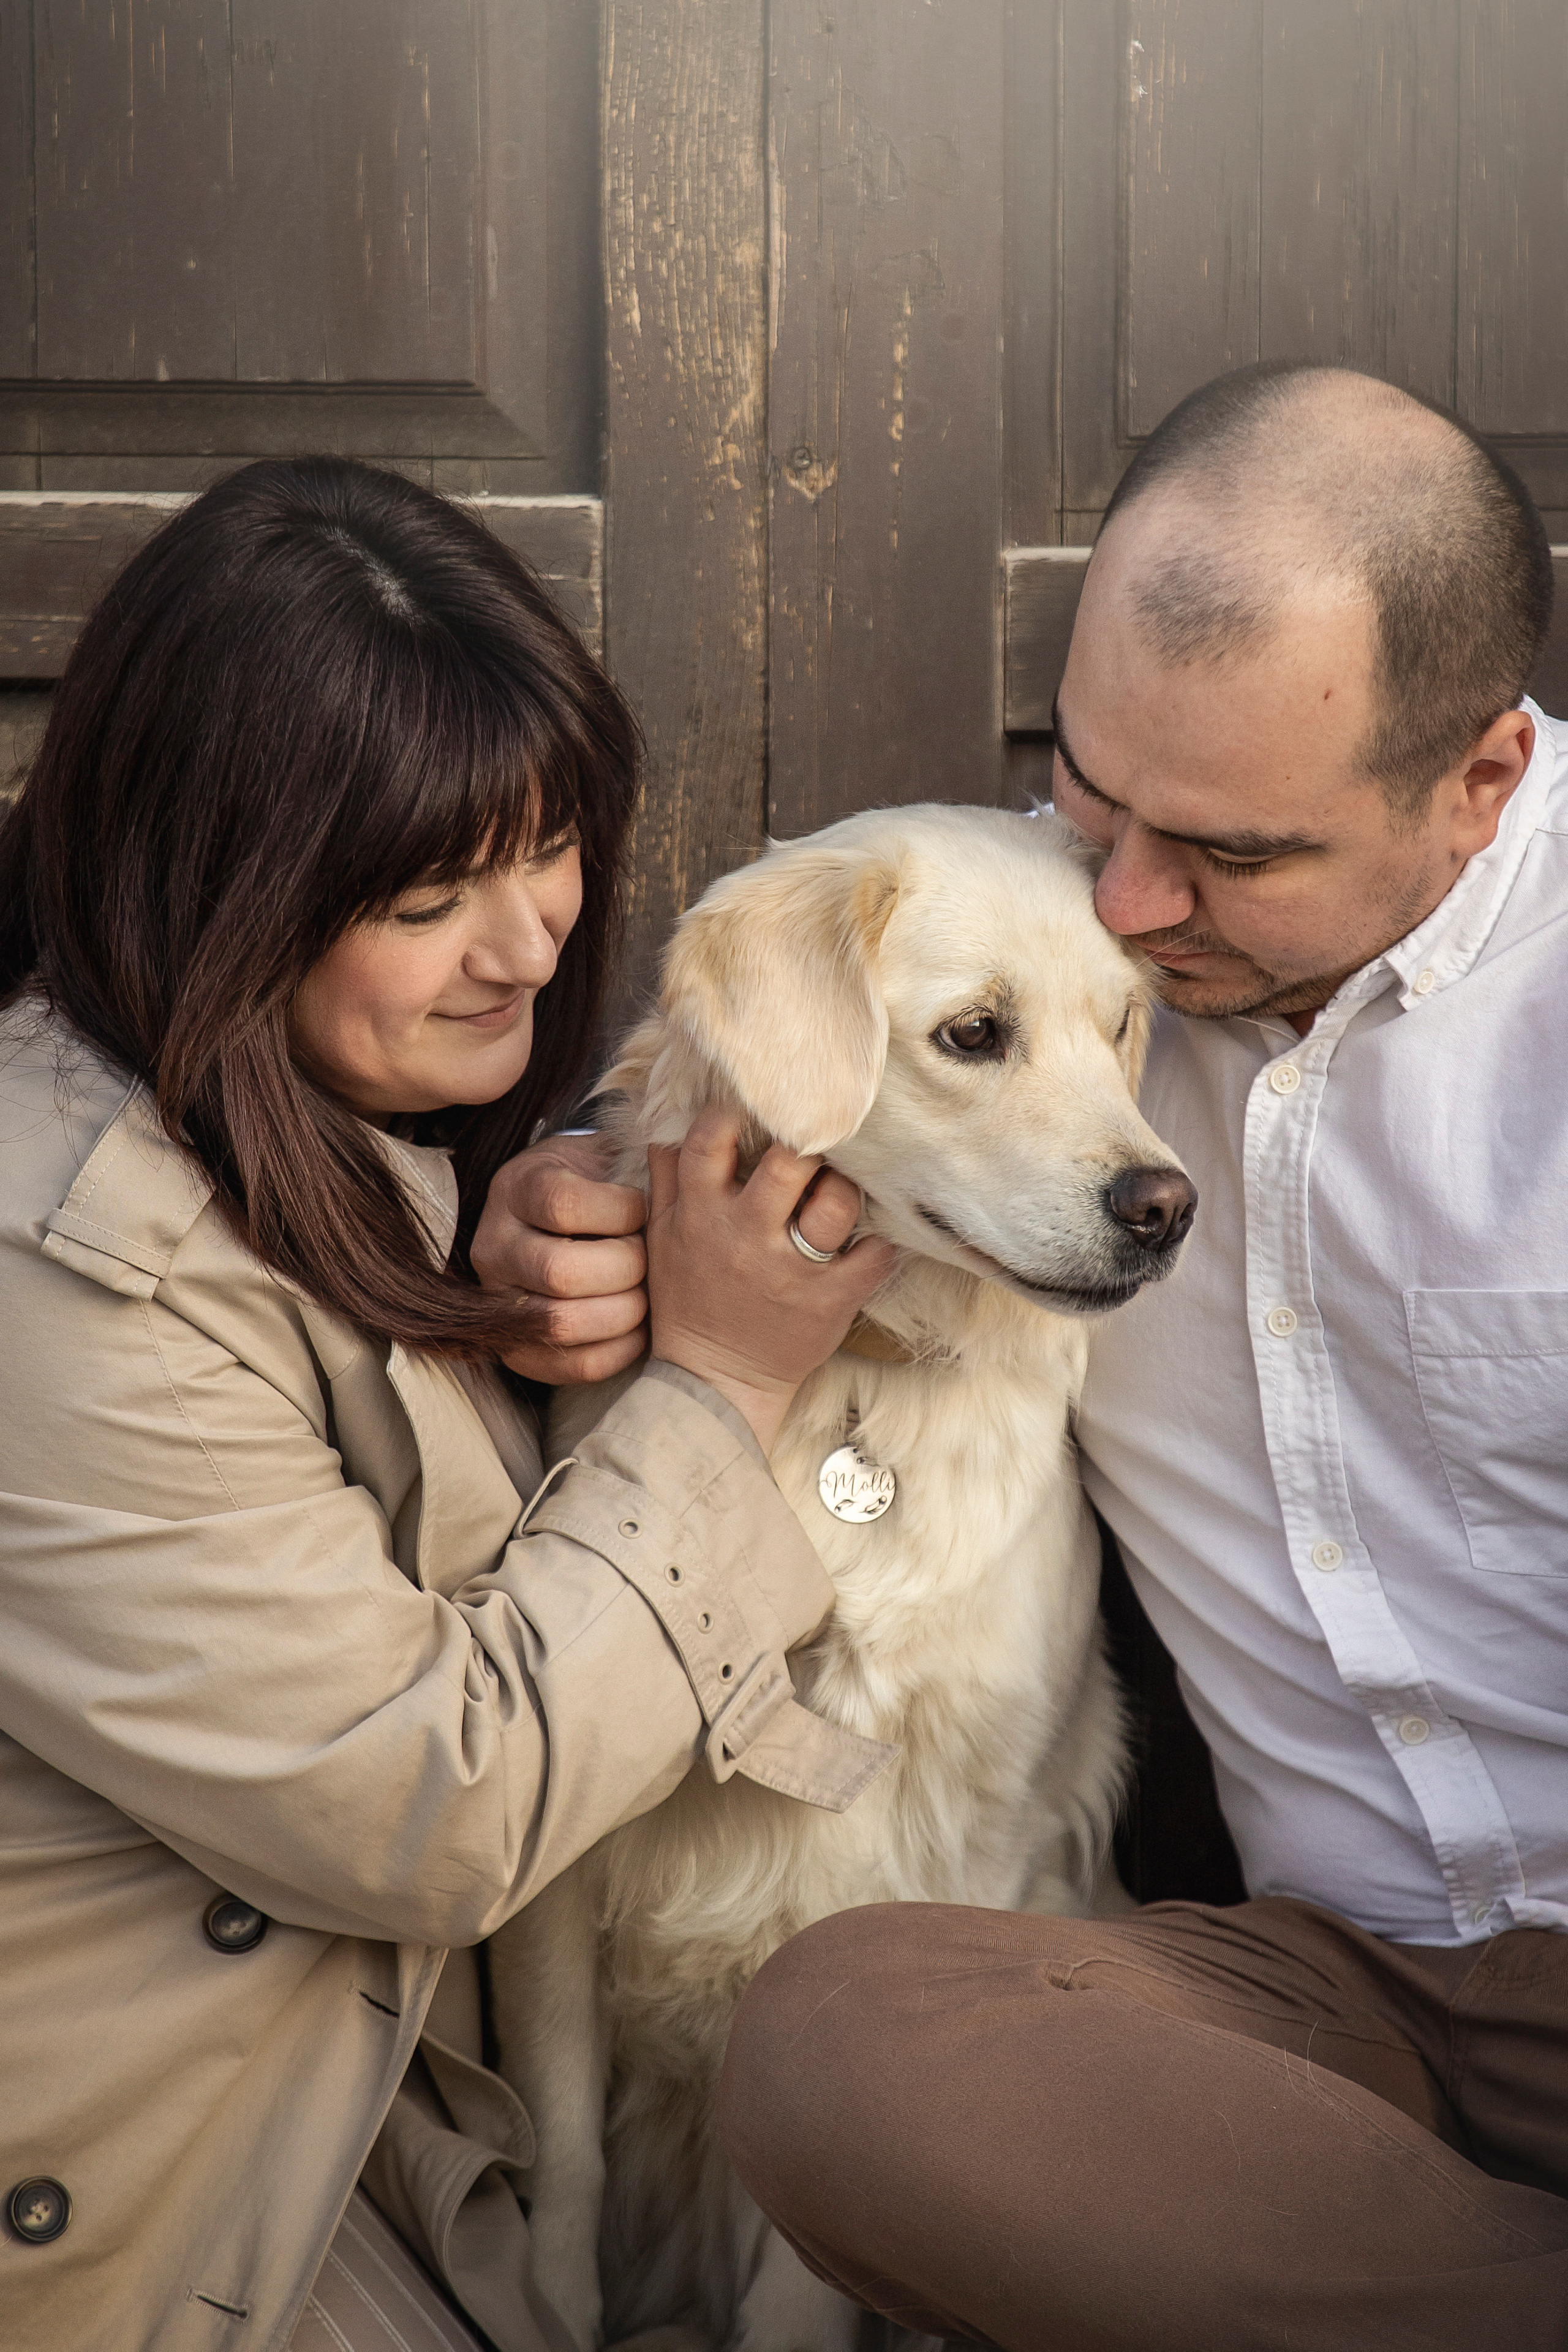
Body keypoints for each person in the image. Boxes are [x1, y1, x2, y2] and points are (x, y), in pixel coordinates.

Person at [492, 367, 1568, 2348]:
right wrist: (566, 1191)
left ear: (1478, 784)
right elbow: (824, 1022)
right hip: (1303, 2003)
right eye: (1093, 796)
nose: (1135, 908)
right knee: (854, 2052)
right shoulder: (1073, 945)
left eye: (1229, 853)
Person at [0, 457, 897, 2352]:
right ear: (215, 894)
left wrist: (475, 1269)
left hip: (368, 2138)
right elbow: (429, 1799)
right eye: (429, 892)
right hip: (166, 2230)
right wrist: (724, 1378)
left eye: (552, 841)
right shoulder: (55, 1280)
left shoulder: (305, 1115)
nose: (534, 939)